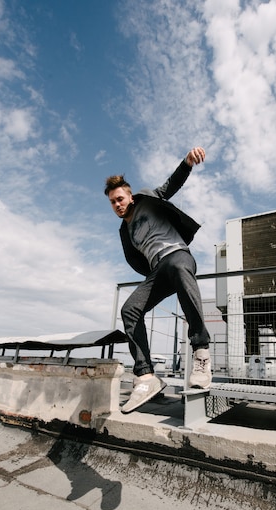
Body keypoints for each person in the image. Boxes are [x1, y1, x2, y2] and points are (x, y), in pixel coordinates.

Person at [104, 147, 212, 413]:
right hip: (157, 270)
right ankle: (146, 376)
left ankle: (201, 352)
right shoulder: (125, 231)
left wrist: (187, 163)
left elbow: (170, 185)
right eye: (113, 202)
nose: (118, 205)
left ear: (130, 196)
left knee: (176, 266)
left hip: (178, 256)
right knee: (129, 310)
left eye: (120, 198)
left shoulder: (148, 198)